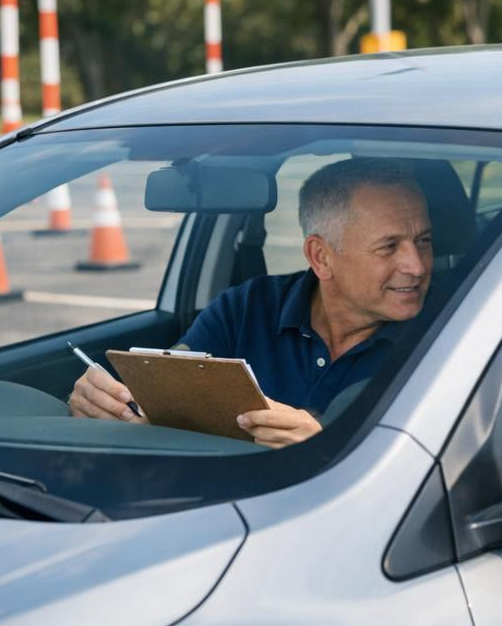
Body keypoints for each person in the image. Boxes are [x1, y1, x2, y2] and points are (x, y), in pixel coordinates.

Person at [68, 158, 433, 447]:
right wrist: (109, 400)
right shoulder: (248, 308)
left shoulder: (449, 333)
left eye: (423, 241)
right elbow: (163, 394)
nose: (416, 266)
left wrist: (323, 449)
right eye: (389, 247)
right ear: (321, 257)